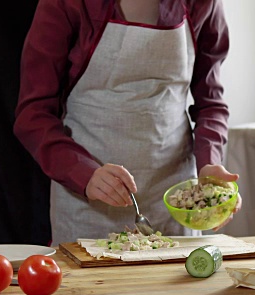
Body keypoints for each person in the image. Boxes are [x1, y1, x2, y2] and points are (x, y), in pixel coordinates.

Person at [14, 0, 240, 246]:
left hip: (175, 200)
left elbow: (211, 104)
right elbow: (33, 115)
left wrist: (210, 164)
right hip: (88, 202)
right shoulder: (67, 4)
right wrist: (82, 173)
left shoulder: (202, 4)